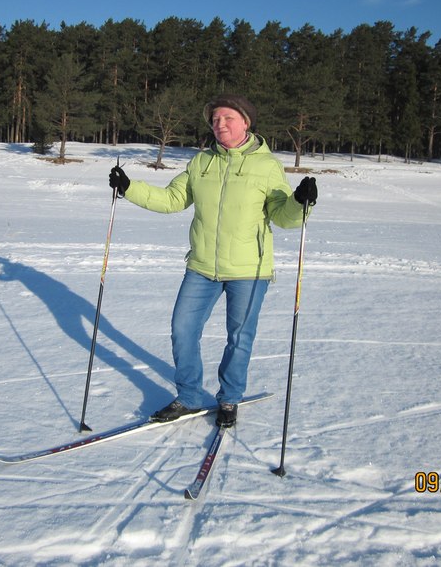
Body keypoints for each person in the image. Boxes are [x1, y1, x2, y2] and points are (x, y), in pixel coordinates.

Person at [108, 94, 317, 428]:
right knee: (183, 329)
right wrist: (130, 188)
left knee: (240, 337)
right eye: (215, 120)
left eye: (228, 118)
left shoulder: (266, 166)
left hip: (249, 270)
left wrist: (299, 202)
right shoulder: (202, 162)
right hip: (202, 266)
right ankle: (189, 396)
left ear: (246, 122)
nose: (220, 124)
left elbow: (282, 215)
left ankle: (230, 397)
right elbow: (172, 199)